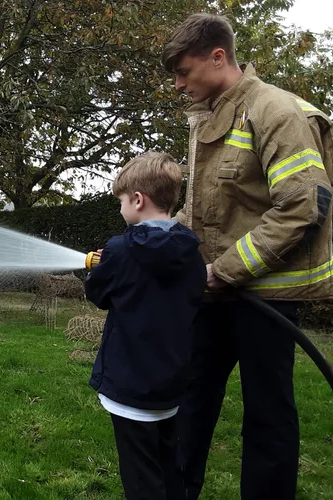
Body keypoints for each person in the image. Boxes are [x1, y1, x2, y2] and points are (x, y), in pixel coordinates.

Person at [161, 13, 333, 500]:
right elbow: (207, 212)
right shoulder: (212, 115)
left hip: (267, 296)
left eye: (183, 71)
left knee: (268, 416)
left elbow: (303, 206)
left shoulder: (276, 111)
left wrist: (227, 271)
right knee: (188, 401)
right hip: (213, 291)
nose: (177, 84)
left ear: (218, 56)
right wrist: (153, 244)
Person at [84, 151, 207, 500]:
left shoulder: (121, 251)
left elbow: (99, 293)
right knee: (169, 467)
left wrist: (99, 267)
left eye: (121, 201)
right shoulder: (190, 253)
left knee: (140, 479)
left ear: (138, 200)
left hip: (129, 390)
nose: (121, 209)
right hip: (170, 389)